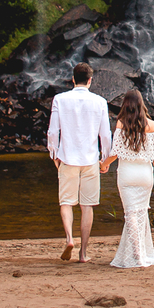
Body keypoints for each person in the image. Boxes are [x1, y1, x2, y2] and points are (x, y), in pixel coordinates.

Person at [46, 62, 112, 262]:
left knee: (66, 202)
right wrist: (105, 159)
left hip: (67, 157)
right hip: (90, 159)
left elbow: (52, 131)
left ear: (73, 79)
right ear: (90, 80)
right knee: (87, 205)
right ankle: (83, 253)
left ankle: (69, 239)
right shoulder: (100, 101)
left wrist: (54, 153)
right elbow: (105, 135)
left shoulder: (60, 99)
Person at [100, 89, 154, 268]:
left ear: (125, 105)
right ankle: (142, 253)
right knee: (141, 213)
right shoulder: (152, 125)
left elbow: (116, 152)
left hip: (127, 174)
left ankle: (137, 254)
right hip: (145, 175)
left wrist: (104, 164)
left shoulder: (121, 124)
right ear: (142, 104)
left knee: (131, 215)